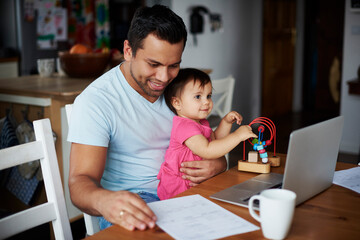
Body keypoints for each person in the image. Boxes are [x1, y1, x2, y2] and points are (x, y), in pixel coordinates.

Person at [67, 5, 227, 232]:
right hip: (136, 202)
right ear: (128, 51)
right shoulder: (97, 101)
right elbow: (79, 182)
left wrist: (220, 163)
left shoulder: (180, 89)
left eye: (174, 65)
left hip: (187, 194)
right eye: (153, 64)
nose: (164, 78)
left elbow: (207, 145)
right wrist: (105, 201)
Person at [157, 68, 257, 200]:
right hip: (178, 188)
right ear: (177, 103)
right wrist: (237, 136)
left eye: (208, 96)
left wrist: (226, 122)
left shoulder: (201, 122)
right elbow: (207, 150)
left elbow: (215, 141)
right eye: (198, 96)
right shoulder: (184, 126)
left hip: (193, 185)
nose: (206, 102)